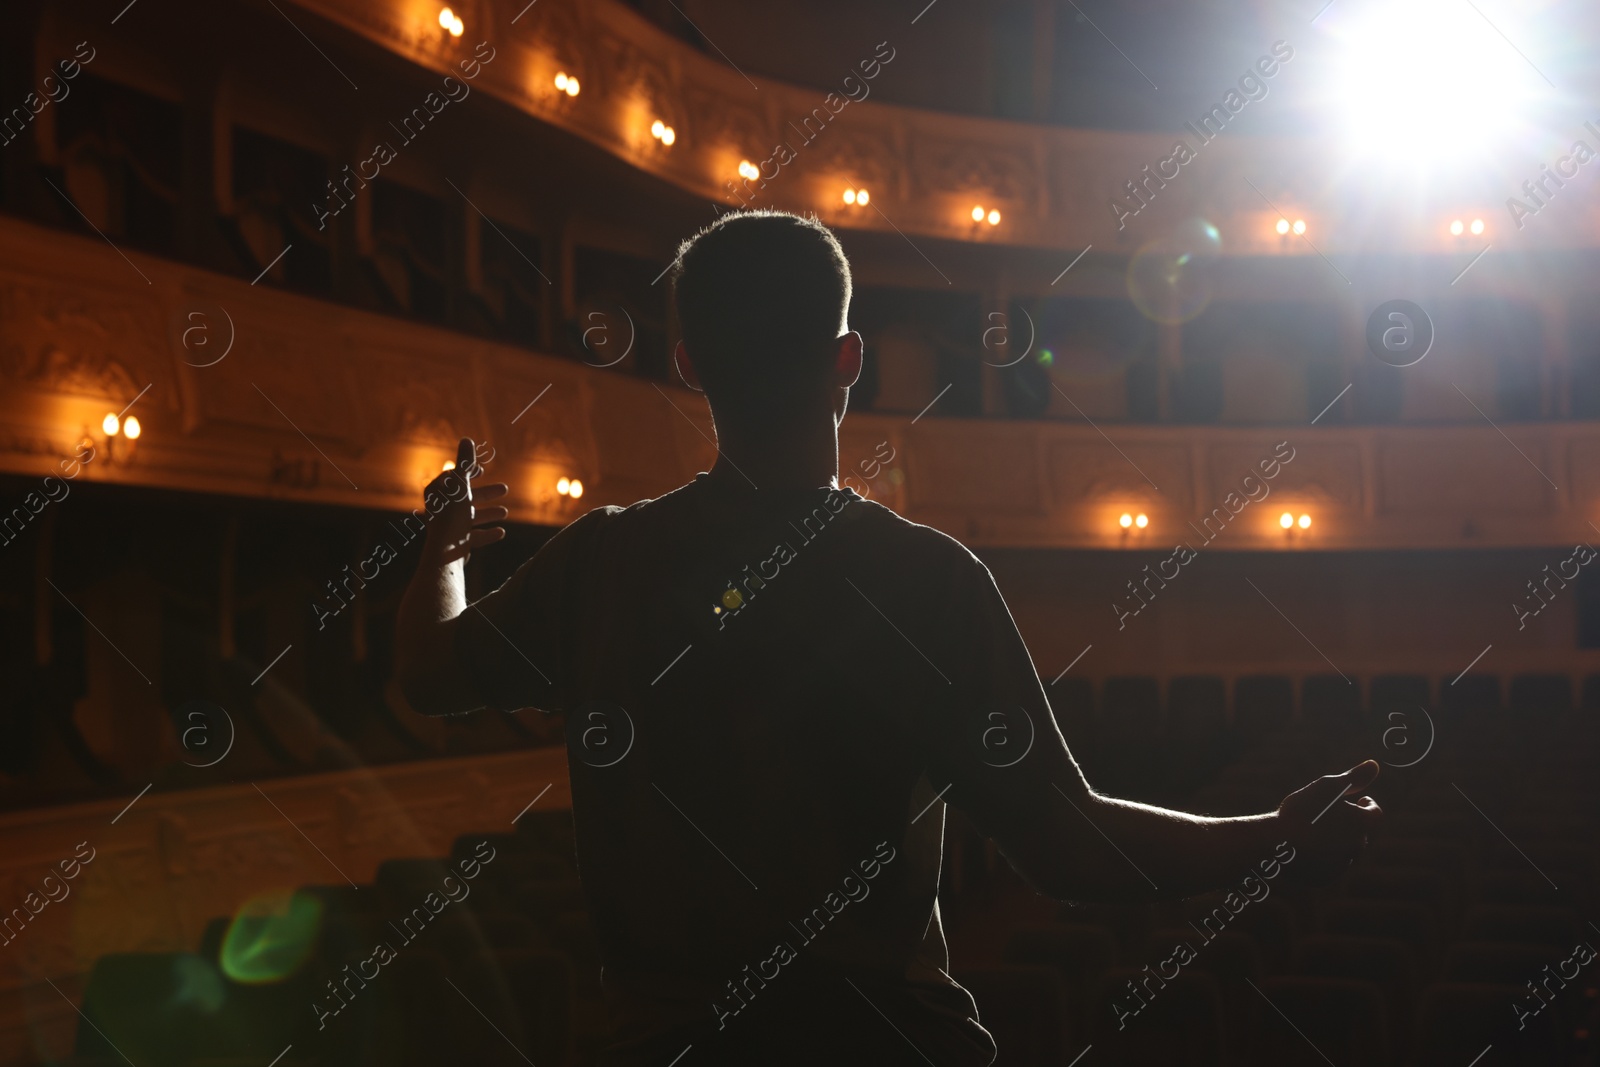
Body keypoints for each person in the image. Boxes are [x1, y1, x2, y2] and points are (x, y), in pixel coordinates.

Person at [396, 209, 1381, 1065]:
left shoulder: (600, 562)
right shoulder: (925, 578)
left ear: (688, 362)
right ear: (847, 360)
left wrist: (441, 554)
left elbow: (426, 675)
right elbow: (1064, 844)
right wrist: (1277, 836)